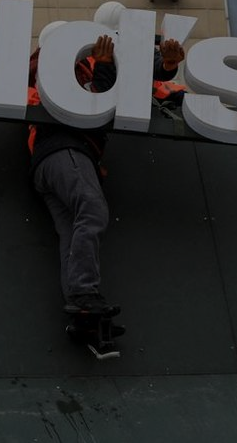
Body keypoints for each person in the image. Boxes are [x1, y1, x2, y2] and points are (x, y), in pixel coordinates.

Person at [27, 29, 185, 316]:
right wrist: (103, 65)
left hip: (51, 160)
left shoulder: (40, 71)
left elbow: (136, 76)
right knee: (92, 208)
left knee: (72, 228)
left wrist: (166, 66)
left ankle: (80, 302)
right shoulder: (69, 69)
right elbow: (92, 104)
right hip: (64, 149)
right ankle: (84, 292)